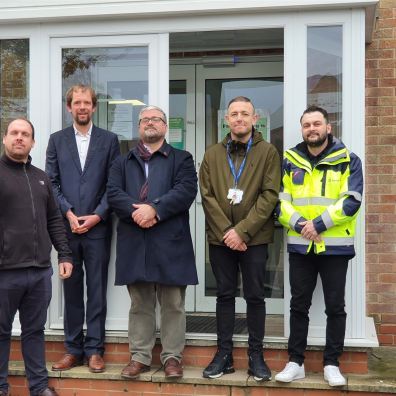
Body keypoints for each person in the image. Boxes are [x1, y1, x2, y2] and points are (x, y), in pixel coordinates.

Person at [107, 105, 198, 380]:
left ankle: (172, 357)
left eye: (155, 119)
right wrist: (139, 212)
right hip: (135, 240)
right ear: (138, 127)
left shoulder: (182, 159)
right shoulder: (122, 162)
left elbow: (185, 191)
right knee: (140, 303)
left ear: (165, 126)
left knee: (173, 303)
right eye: (144, 119)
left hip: (171, 242)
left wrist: (154, 209)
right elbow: (113, 193)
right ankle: (140, 356)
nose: (149, 123)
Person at [275, 105, 363, 387]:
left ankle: (332, 364)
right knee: (298, 305)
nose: (311, 129)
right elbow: (279, 202)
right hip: (301, 246)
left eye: (317, 124)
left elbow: (352, 200)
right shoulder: (289, 160)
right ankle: (295, 362)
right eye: (306, 125)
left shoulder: (348, 159)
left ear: (328, 127)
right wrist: (301, 225)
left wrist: (319, 224)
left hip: (334, 246)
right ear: (302, 129)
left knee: (335, 306)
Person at [199, 96, 281, 381]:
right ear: (226, 119)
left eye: (245, 114)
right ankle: (224, 355)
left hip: (254, 239)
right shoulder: (211, 154)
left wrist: (242, 231)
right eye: (234, 114)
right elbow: (207, 197)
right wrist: (227, 233)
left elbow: (270, 195)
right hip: (221, 239)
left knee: (255, 296)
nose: (239, 119)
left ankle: (256, 356)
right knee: (224, 295)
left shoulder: (268, 152)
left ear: (254, 119)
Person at [46, 84, 120, 373]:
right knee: (72, 290)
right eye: (77, 102)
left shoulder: (109, 140)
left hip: (98, 228)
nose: (82, 107)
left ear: (94, 107)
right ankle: (73, 349)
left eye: (87, 102)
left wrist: (98, 216)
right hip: (66, 228)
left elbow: (113, 185)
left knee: (97, 290)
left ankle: (94, 350)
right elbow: (51, 182)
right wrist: (68, 212)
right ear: (69, 107)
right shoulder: (56, 140)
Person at [0, 118, 73, 396]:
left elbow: (54, 219)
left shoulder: (41, 177)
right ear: (5, 139)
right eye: (15, 133)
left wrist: (64, 254)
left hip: (39, 272)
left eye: (26, 134)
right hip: (5, 272)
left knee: (34, 332)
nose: (20, 138)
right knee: (1, 333)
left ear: (33, 142)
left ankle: (39, 387)